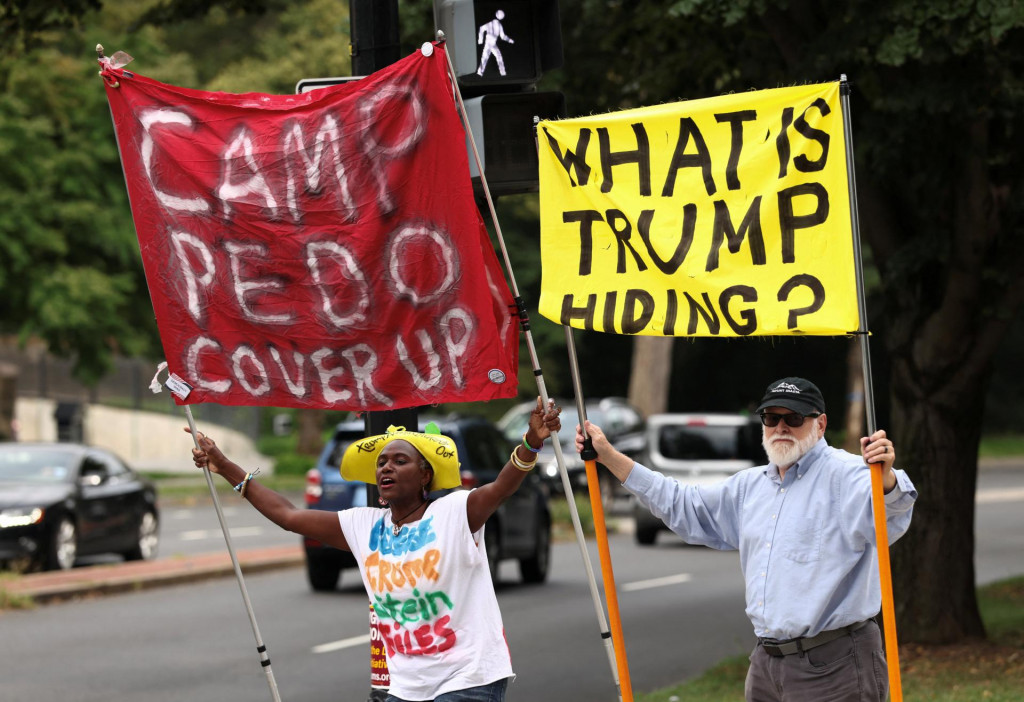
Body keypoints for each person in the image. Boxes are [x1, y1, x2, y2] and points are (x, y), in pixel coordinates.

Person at [188, 397, 561, 702]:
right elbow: (287, 515)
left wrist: (531, 441)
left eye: (401, 461)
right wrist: (225, 467)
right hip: (405, 688)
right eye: (382, 462)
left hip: (469, 678)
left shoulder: (454, 512)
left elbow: (501, 487)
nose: (387, 467)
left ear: (425, 475)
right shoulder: (363, 526)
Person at [576, 377, 917, 702]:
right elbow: (682, 504)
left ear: (821, 424)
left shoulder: (850, 474)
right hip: (766, 664)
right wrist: (608, 456)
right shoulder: (749, 487)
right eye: (771, 417)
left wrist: (884, 476)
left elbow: (891, 512)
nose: (781, 427)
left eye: (794, 418)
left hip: (834, 664)